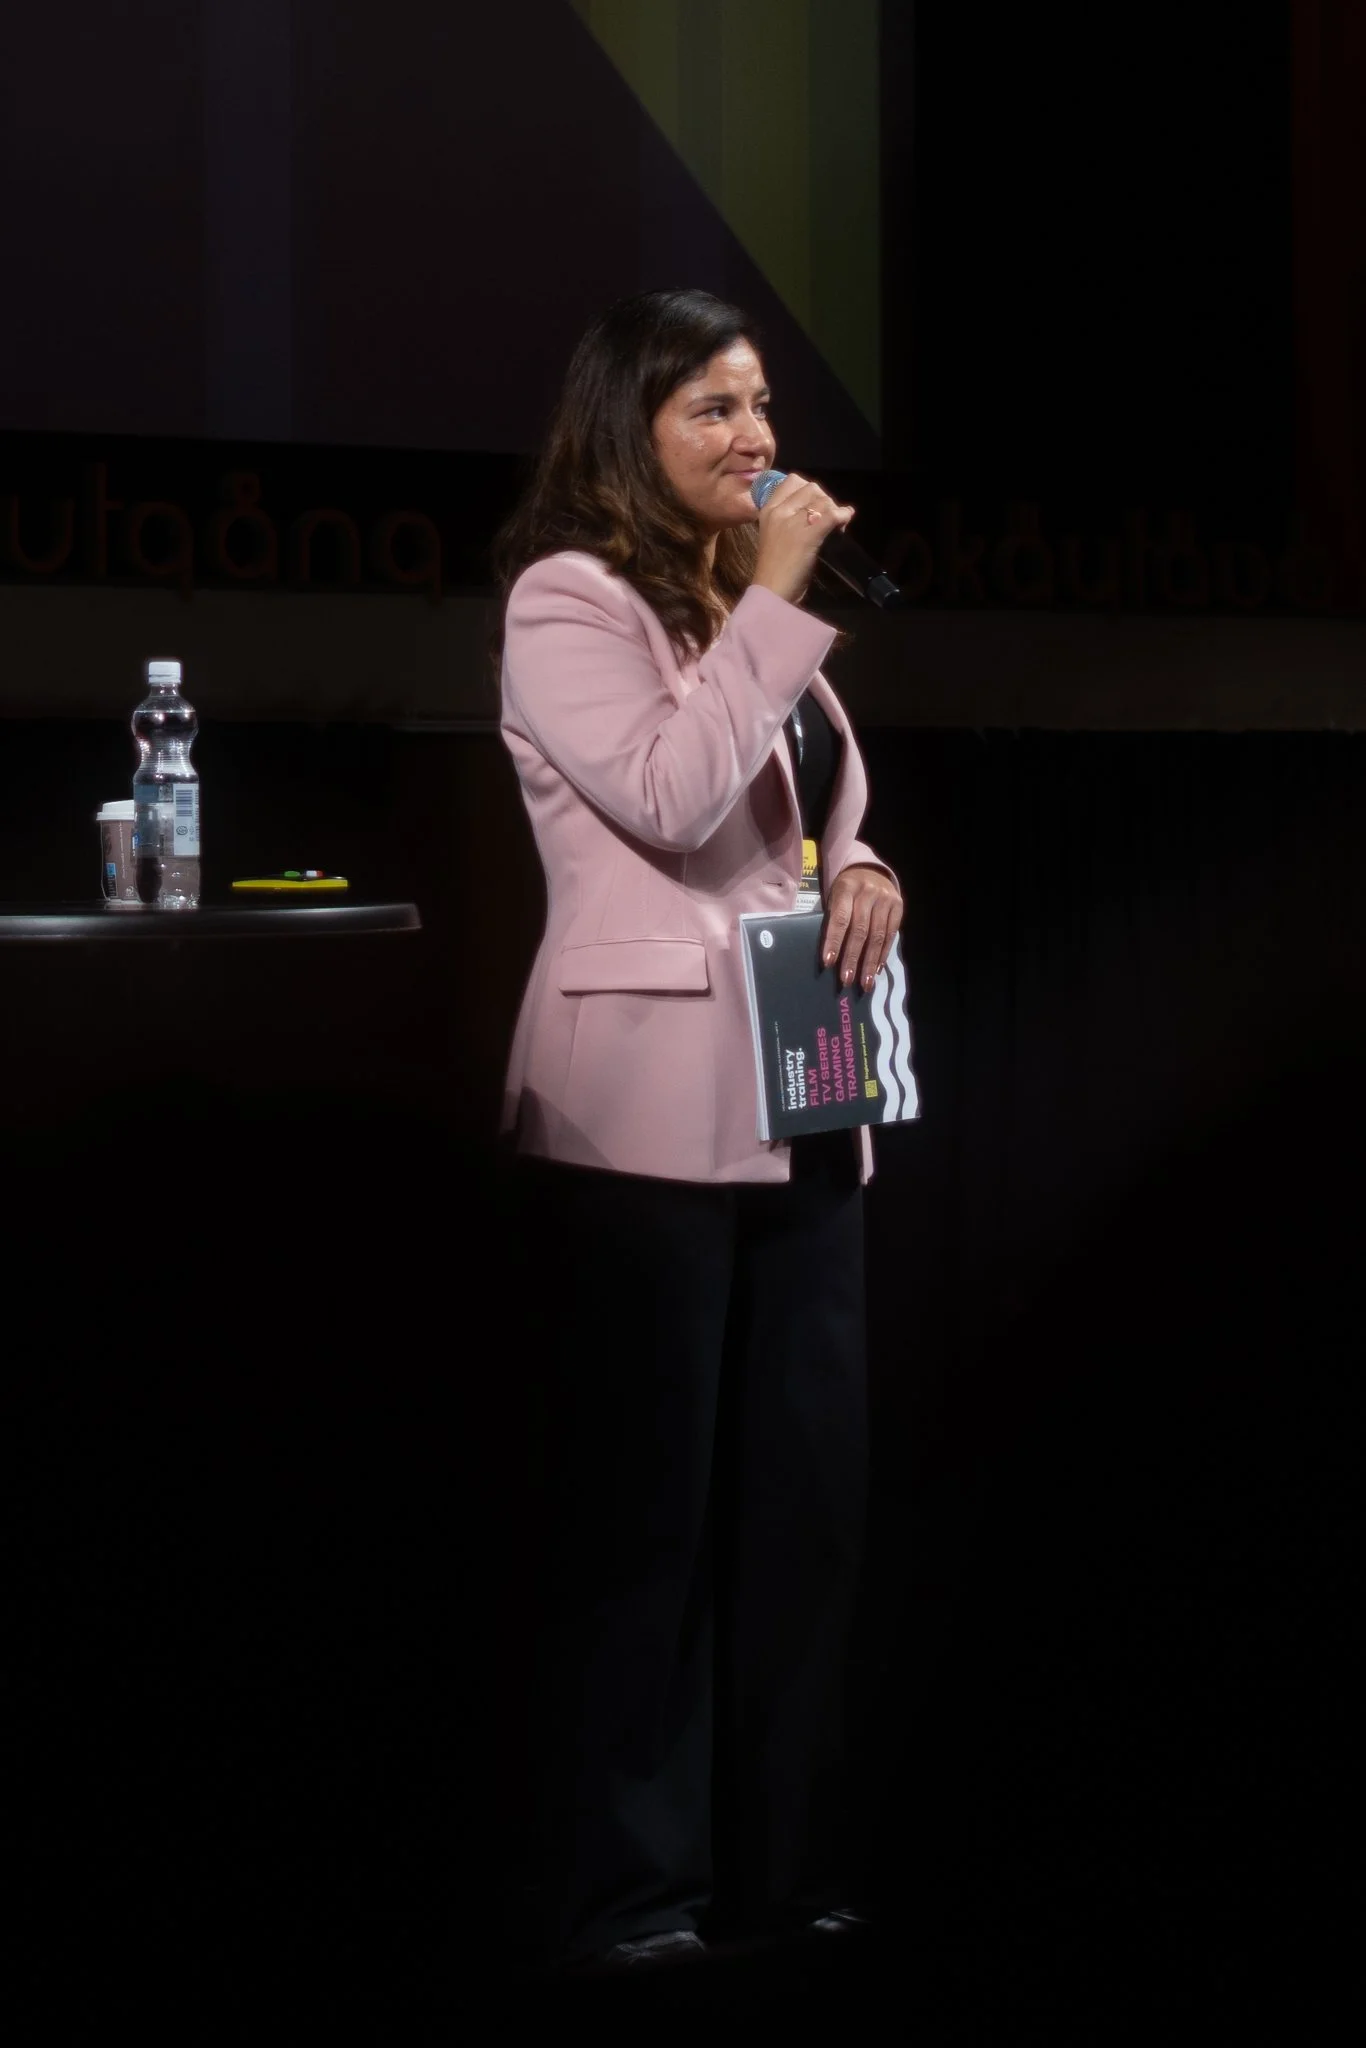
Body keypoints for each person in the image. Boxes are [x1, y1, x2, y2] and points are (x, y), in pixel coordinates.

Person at [494, 288, 904, 1977]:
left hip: (801, 1093)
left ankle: (777, 1866)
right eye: (712, 413)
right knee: (647, 1522)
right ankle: (632, 1894)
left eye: (760, 408)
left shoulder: (751, 603)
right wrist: (777, 605)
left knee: (803, 1513)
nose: (756, 442)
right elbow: (667, 800)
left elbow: (806, 815)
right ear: (628, 432)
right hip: (641, 1115)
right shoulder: (566, 599)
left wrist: (866, 868)